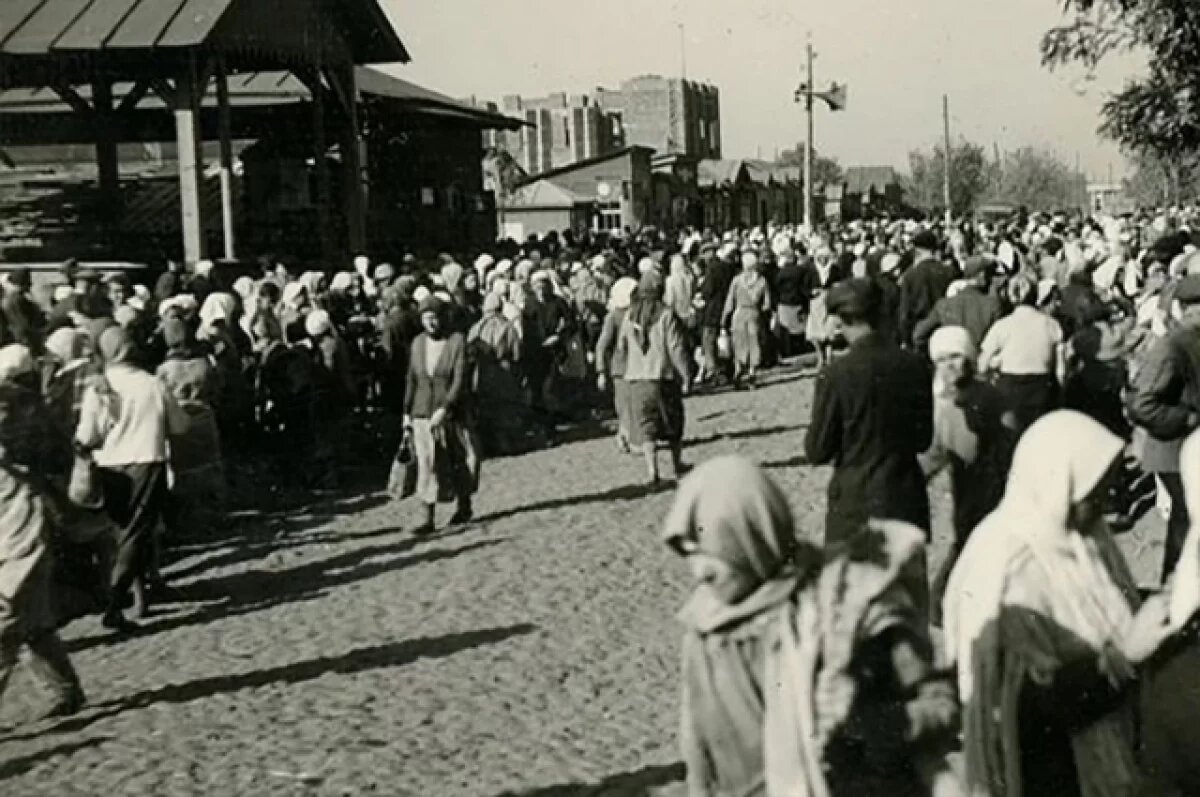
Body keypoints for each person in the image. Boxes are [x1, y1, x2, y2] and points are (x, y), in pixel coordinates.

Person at [666, 457, 959, 797]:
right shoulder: (705, 630)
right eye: (690, 555)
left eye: (711, 552)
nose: (699, 571)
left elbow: (940, 704)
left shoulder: (846, 609)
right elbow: (701, 758)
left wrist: (865, 726)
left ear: (752, 536)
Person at [944, 411, 1174, 797]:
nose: (1104, 502)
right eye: (1093, 492)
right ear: (1056, 485)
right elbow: (1022, 705)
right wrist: (1122, 659)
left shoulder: (1080, 536)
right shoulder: (1006, 566)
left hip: (1104, 745)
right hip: (1049, 771)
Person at [805, 278, 934, 545]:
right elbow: (923, 440)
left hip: (855, 503)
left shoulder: (835, 375)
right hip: (904, 499)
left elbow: (817, 450)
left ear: (841, 321)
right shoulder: (914, 365)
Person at [76, 326, 188, 632]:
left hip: (110, 467)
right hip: (147, 462)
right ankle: (115, 605)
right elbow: (180, 426)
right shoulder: (152, 384)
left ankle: (140, 597)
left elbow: (86, 435)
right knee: (137, 533)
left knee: (125, 533)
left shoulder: (97, 388)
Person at [0, 345, 85, 718]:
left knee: (6, 620)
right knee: (33, 622)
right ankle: (65, 689)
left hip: (21, 529)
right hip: (17, 527)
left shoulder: (21, 417)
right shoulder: (31, 413)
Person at [920, 326, 1016, 623]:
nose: (949, 365)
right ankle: (941, 603)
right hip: (965, 482)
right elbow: (935, 451)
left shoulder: (990, 396)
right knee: (967, 542)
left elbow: (1011, 440)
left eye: (955, 357)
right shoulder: (940, 403)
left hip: (994, 480)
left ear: (969, 358)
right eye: (941, 360)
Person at [1128, 273, 1200, 581]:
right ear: (1188, 307)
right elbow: (1142, 403)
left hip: (1189, 448)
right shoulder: (1172, 346)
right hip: (1175, 450)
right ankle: (1176, 592)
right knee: (1187, 521)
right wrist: (1186, 418)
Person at [403, 297, 478, 534]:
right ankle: (427, 516)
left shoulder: (456, 342)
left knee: (457, 458)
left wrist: (445, 408)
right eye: (426, 318)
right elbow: (411, 379)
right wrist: (406, 412)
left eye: (435, 317)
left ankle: (464, 506)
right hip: (422, 410)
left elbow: (459, 379)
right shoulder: (417, 343)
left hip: (451, 413)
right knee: (426, 462)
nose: (431, 323)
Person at [617, 270, 691, 485]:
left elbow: (621, 346)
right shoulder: (666, 315)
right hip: (662, 376)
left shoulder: (630, 315)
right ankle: (677, 464)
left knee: (646, 426)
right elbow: (675, 347)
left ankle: (652, 471)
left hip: (636, 379)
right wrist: (685, 374)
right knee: (672, 422)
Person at [978, 273, 1066, 435]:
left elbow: (982, 366)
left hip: (1009, 390)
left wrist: (994, 369)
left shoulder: (1002, 326)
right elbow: (1061, 372)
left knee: (1010, 438)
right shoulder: (1052, 325)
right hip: (1041, 389)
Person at [468, 293, 526, 456]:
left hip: (482, 372)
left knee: (486, 408)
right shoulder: (507, 327)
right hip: (503, 371)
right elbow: (516, 353)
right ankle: (505, 444)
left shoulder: (475, 328)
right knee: (504, 408)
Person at [912, 255, 1003, 353]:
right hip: (980, 359)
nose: (994, 281)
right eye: (992, 275)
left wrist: (938, 352)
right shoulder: (992, 305)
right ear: (983, 275)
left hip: (951, 357)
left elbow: (919, 335)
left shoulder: (944, 304)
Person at [595, 277, 638, 453]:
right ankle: (624, 436)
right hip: (621, 367)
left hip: (637, 366)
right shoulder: (613, 317)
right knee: (624, 406)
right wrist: (601, 370)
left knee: (635, 404)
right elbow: (602, 345)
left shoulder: (639, 313)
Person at [722, 251, 772, 388]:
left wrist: (724, 318)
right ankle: (752, 373)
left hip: (739, 314)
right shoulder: (761, 281)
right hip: (754, 314)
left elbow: (729, 301)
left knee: (739, 344)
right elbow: (767, 304)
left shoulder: (737, 280)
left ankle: (738, 370)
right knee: (754, 343)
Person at [898, 230, 956, 346]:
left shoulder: (910, 275)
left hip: (919, 331)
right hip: (944, 328)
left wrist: (905, 339)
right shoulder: (949, 271)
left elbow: (905, 311)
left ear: (916, 250)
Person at [696, 244, 736, 385]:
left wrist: (700, 292)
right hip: (726, 306)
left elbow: (708, 290)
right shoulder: (727, 266)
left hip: (712, 309)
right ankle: (728, 368)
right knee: (726, 339)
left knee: (709, 341)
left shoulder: (712, 269)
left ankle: (714, 371)